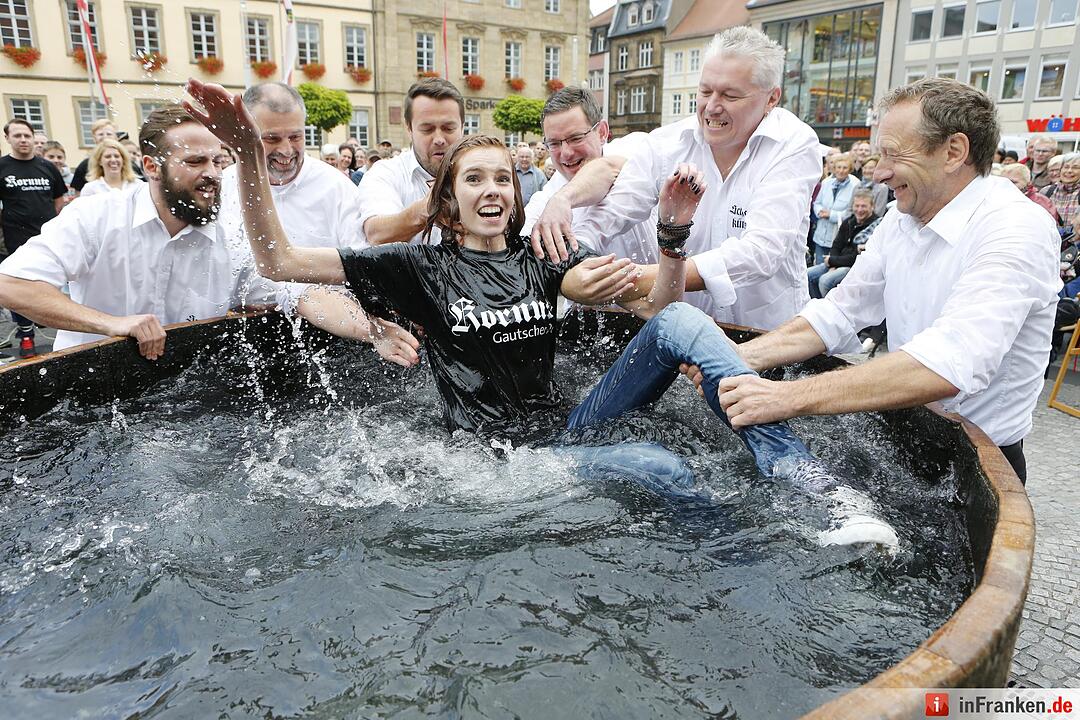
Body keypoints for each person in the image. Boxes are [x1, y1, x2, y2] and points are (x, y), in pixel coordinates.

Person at [186, 78, 839, 496]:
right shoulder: (418, 268)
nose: (491, 188)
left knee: (686, 323)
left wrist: (671, 238)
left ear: (516, 193)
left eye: (502, 177)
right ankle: (730, 551)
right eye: (473, 179)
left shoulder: (543, 254)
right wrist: (248, 156)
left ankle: (800, 477)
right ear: (450, 200)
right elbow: (277, 261)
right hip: (499, 460)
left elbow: (659, 308)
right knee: (662, 466)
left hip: (569, 427)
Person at [686, 78, 1061, 483]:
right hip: (909, 439)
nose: (879, 173)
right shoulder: (902, 218)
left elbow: (948, 364)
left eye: (893, 154)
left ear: (954, 152)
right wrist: (743, 357)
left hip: (981, 466)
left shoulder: (1015, 228)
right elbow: (840, 312)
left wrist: (782, 397)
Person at [536, 27, 821, 329]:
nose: (712, 107)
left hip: (766, 332)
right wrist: (577, 254)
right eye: (705, 91)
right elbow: (613, 208)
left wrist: (637, 277)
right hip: (689, 334)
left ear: (771, 98)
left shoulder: (793, 143)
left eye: (730, 95)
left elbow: (761, 253)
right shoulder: (667, 144)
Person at [0, 106, 281, 358]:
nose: (213, 174)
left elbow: (282, 297)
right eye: (195, 162)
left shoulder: (230, 236)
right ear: (151, 167)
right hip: (88, 384)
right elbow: (10, 284)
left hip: (182, 388)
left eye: (217, 161)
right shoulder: (96, 216)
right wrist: (110, 323)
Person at [217, 82, 419, 366]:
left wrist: (373, 326)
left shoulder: (336, 188)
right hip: (240, 342)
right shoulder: (222, 187)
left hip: (330, 342)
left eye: (296, 136)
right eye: (271, 138)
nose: (286, 150)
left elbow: (361, 266)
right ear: (247, 134)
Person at [357, 78, 465, 245]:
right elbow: (376, 234)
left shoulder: (485, 175)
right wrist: (425, 211)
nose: (439, 139)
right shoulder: (386, 173)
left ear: (462, 127)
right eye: (427, 129)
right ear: (409, 129)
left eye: (448, 128)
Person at [0, 119, 67, 357]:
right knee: (19, 285)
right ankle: (26, 334)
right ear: (8, 138)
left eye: (27, 135)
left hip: (47, 237)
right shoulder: (2, 167)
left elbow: (59, 200)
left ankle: (59, 329)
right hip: (15, 237)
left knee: (49, 283)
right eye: (17, 136)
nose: (23, 140)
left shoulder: (47, 167)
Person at [806, 189, 878, 299]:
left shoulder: (875, 226)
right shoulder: (849, 221)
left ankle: (830, 307)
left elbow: (857, 257)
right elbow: (836, 245)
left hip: (853, 267)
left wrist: (833, 261)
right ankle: (817, 302)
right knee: (807, 275)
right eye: (857, 206)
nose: (859, 210)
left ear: (872, 207)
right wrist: (833, 263)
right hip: (837, 261)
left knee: (825, 281)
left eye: (864, 206)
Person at [811, 153, 856, 265]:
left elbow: (852, 212)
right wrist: (819, 211)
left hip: (838, 236)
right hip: (820, 235)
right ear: (834, 169)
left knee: (831, 268)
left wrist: (831, 215)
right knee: (818, 266)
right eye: (838, 167)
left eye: (845, 168)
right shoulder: (826, 183)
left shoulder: (855, 185)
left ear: (850, 169)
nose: (841, 171)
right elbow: (817, 203)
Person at [70, 118, 118, 192]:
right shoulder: (84, 166)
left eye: (109, 134)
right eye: (100, 134)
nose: (105, 137)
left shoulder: (126, 162)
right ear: (94, 138)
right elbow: (78, 194)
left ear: (116, 137)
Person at [1047, 152, 1079, 236]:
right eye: (1066, 167)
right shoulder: (1047, 191)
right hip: (1050, 241)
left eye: (1075, 167)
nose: (1069, 171)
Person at [41, 140, 77, 207]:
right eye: (51, 157)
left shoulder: (73, 178)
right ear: (42, 157)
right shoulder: (39, 179)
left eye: (59, 157)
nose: (56, 160)